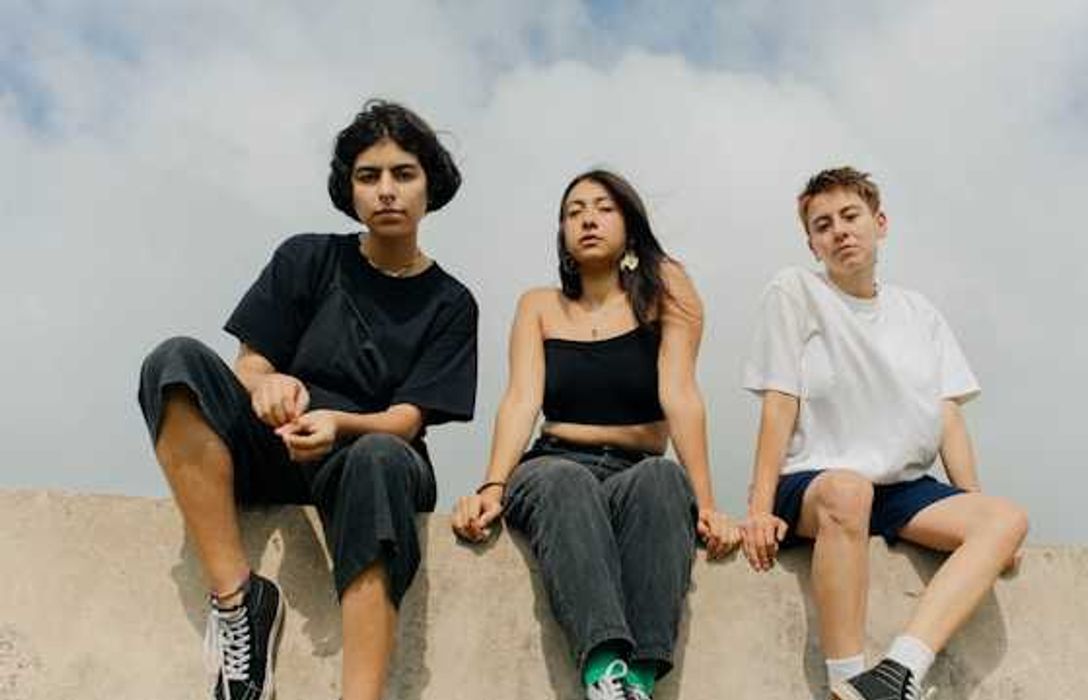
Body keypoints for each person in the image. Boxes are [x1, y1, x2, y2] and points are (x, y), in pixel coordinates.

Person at [137, 100, 477, 700]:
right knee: (174, 362)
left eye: (403, 174)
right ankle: (239, 604)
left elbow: (407, 420)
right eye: (368, 176)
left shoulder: (451, 302)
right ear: (350, 189)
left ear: (430, 186)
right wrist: (266, 385)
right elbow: (250, 362)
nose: (386, 190)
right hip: (277, 443)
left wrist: (339, 423)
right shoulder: (307, 257)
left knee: (379, 457)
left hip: (372, 459)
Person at [739, 167, 1028, 700]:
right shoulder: (795, 290)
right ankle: (844, 683)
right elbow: (779, 400)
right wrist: (759, 507)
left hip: (901, 488)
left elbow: (947, 416)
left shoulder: (919, 313)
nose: (839, 231)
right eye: (823, 225)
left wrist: (978, 516)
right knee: (849, 491)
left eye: (850, 216)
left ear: (880, 223)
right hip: (816, 482)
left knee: (1006, 519)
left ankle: (897, 673)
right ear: (812, 244)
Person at [451, 169, 738, 700]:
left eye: (604, 208)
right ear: (562, 233)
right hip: (553, 465)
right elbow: (521, 400)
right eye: (574, 211)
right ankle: (605, 672)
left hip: (635, 469)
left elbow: (680, 395)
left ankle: (637, 683)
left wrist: (707, 503)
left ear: (630, 226)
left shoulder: (666, 292)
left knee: (663, 480)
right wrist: (493, 485)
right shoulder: (538, 305)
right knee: (566, 480)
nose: (587, 219)